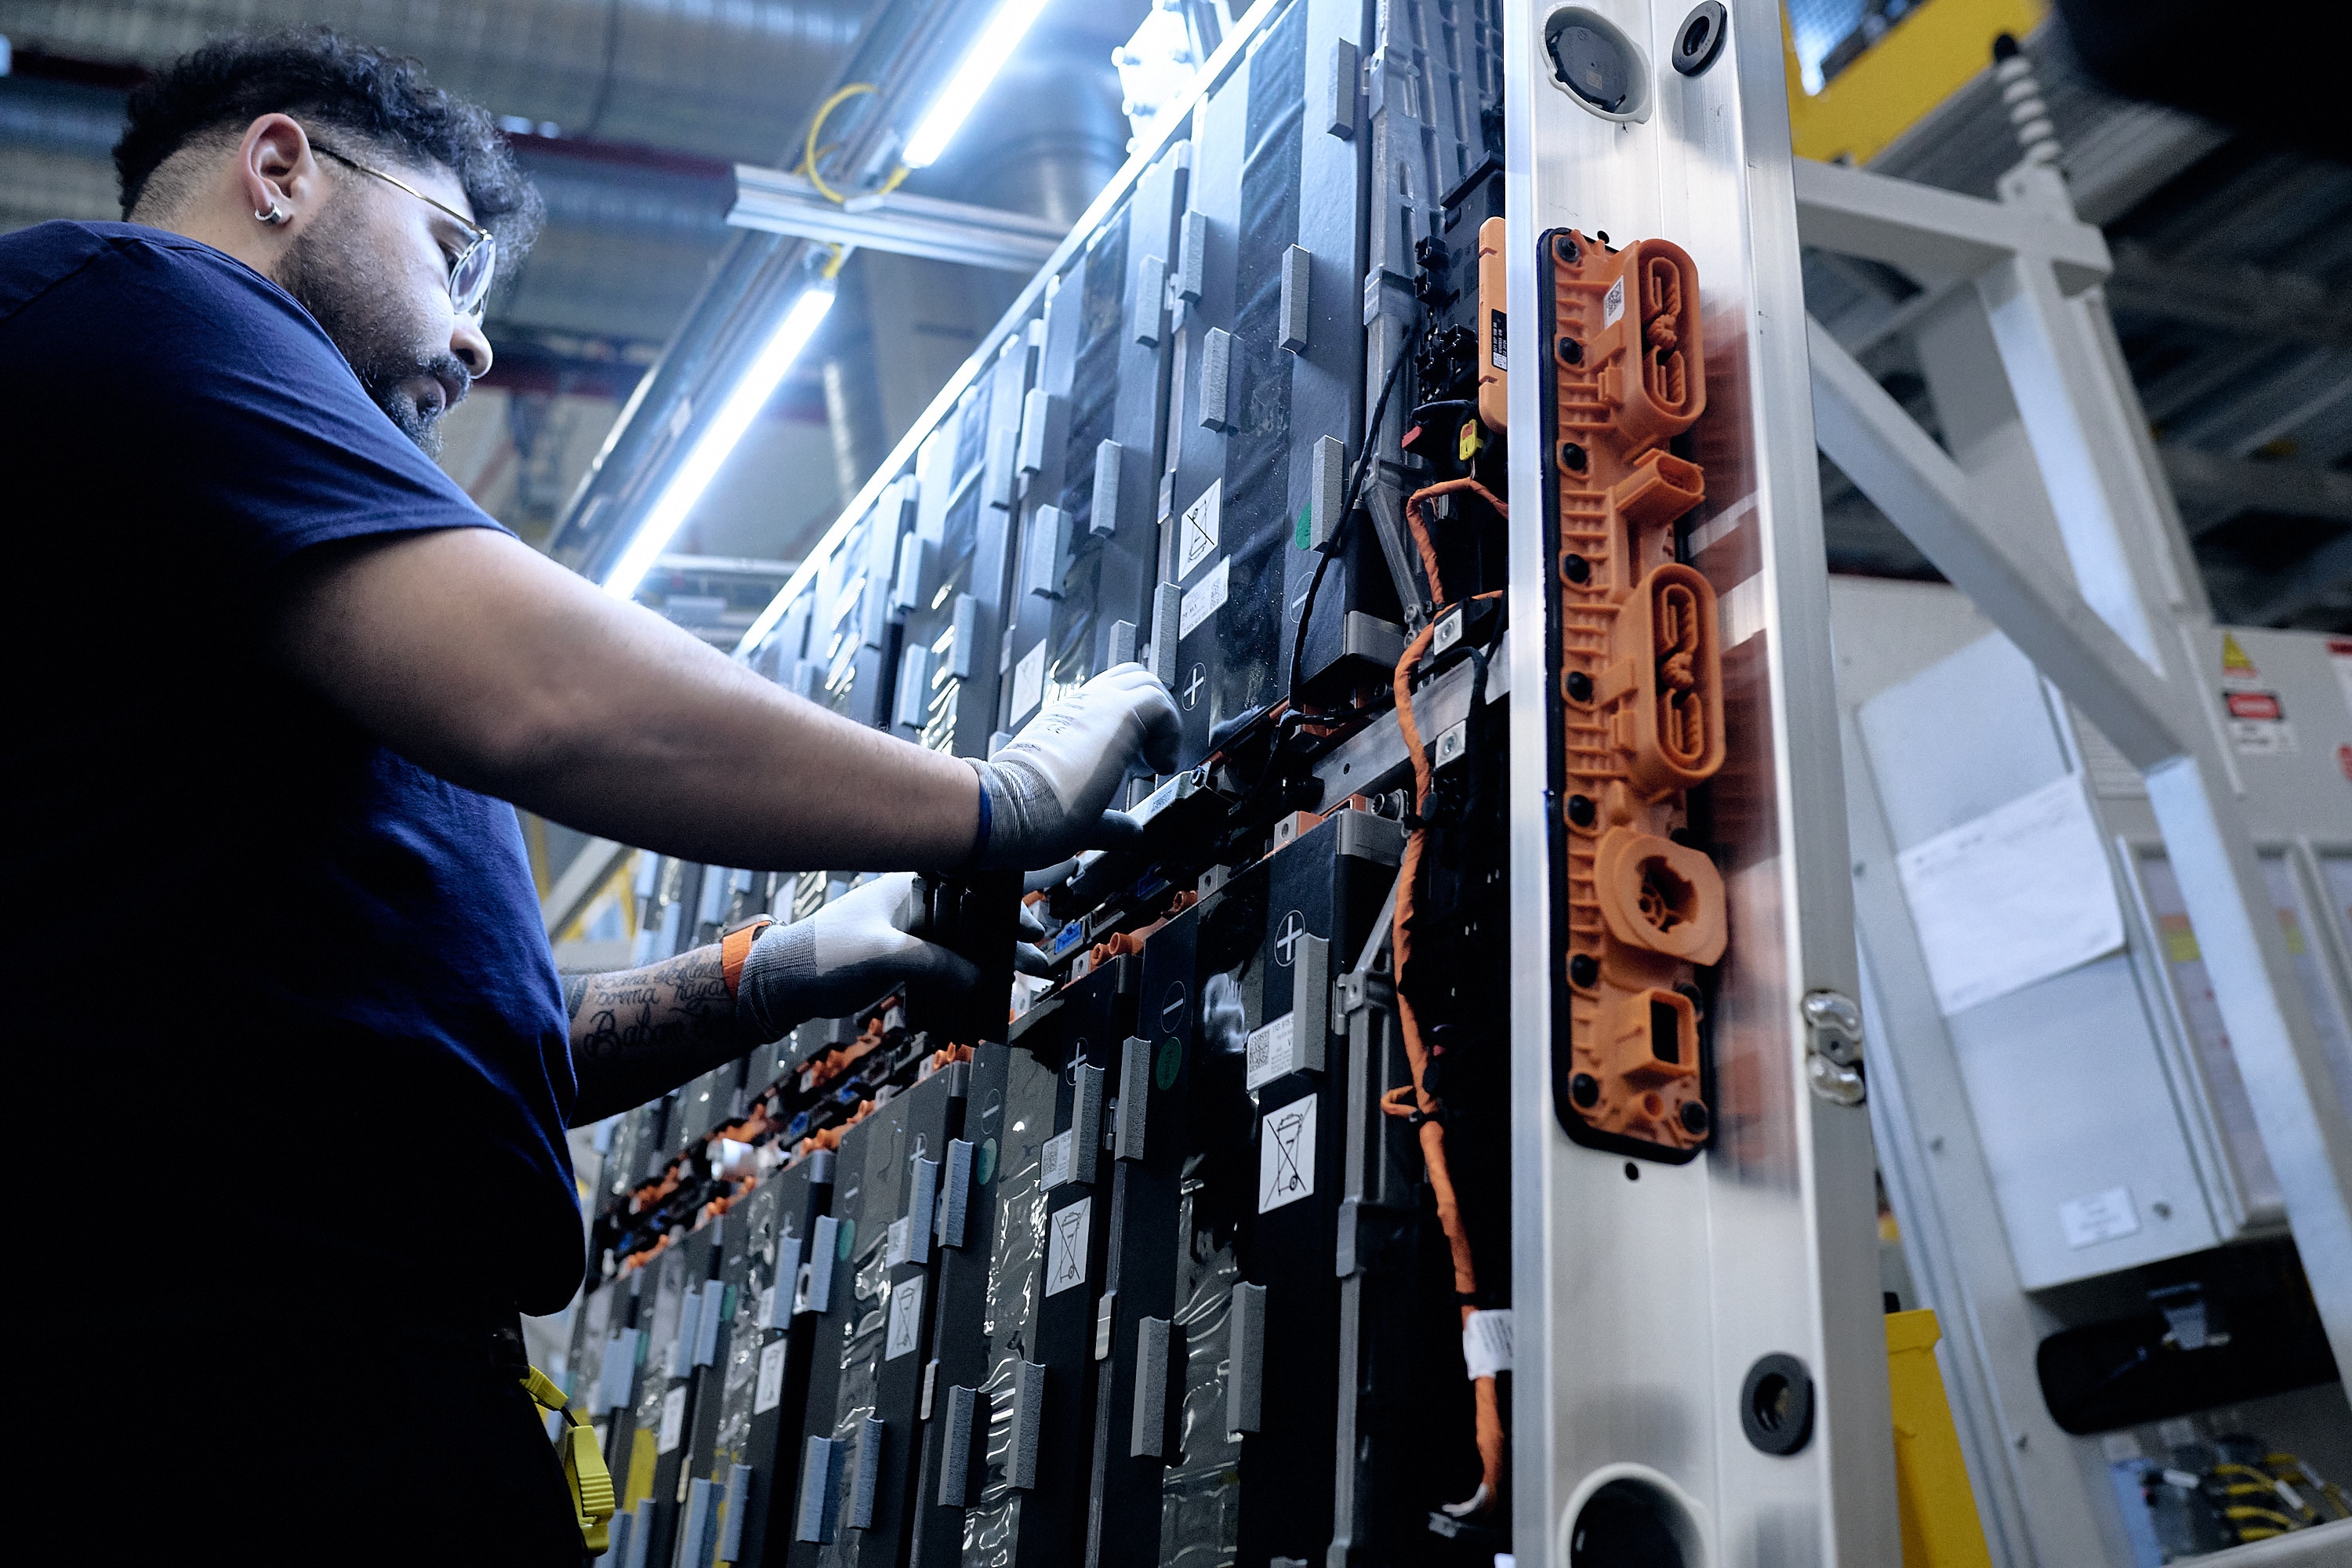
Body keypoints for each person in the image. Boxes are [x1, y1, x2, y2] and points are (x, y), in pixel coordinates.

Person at [3, 27, 1176, 1564]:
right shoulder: (137, 305)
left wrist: (783, 969)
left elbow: (443, 1041)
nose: (478, 344)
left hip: (327, 1386)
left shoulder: (216, 562)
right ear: (279, 168)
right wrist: (985, 799)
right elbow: (548, 697)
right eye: (451, 253)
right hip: (212, 1404)